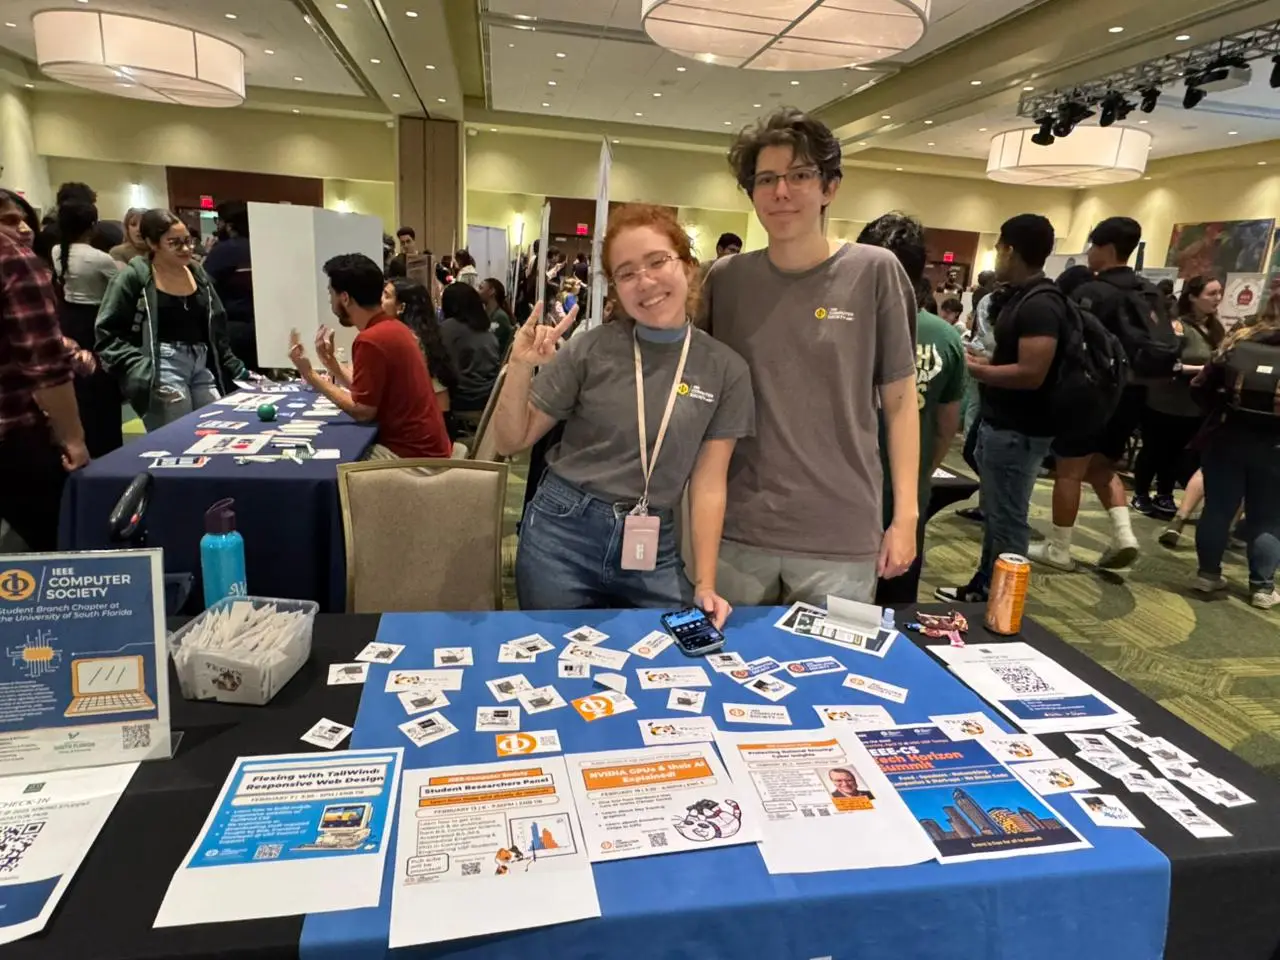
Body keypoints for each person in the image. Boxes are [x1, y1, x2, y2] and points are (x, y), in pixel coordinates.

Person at [493, 203, 754, 621]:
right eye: (626, 272)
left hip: (653, 541)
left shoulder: (726, 370)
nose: (644, 281)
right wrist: (521, 365)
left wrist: (705, 583)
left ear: (687, 267)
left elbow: (709, 484)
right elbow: (511, 439)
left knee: (669, 657)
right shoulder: (591, 349)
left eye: (657, 262)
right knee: (556, 664)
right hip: (563, 534)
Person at [701, 107, 919, 605]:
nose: (782, 192)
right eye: (766, 179)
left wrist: (904, 516)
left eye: (800, 175)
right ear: (751, 192)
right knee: (727, 671)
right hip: (736, 528)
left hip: (839, 532)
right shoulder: (726, 280)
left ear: (829, 187)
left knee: (832, 676)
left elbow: (902, 401)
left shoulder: (874, 272)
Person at [937, 214, 1062, 603]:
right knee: (999, 514)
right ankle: (987, 585)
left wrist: (972, 369)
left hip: (1018, 428)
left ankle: (999, 595)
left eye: (998, 247)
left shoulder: (1040, 303)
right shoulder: (1026, 297)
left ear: (1010, 248)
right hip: (1006, 425)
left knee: (1008, 518)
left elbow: (1031, 372)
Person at [1028, 217, 1150, 571]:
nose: (1089, 254)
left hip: (1092, 394)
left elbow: (1069, 345)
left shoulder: (1093, 293)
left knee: (1069, 471)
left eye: (1092, 246)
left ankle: (1059, 548)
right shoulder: (1146, 291)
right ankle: (1124, 533)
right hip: (1132, 395)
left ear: (1106, 248)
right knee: (1101, 466)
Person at [858, 214, 966, 606]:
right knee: (893, 612)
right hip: (905, 498)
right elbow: (946, 426)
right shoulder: (945, 336)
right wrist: (919, 472)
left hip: (849, 497)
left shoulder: (845, 326)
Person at [289, 253, 451, 459]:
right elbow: (367, 396)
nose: (330, 301)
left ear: (345, 298)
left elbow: (363, 411)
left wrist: (310, 375)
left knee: (322, 457)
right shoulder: (395, 328)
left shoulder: (372, 339)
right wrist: (332, 364)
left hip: (411, 457)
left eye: (331, 294)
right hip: (429, 449)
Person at [96, 208, 246, 430]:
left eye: (188, 241)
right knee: (176, 435)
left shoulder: (197, 273)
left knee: (217, 426)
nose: (185, 248)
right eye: (174, 243)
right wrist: (139, 366)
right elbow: (106, 333)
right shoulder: (133, 277)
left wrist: (232, 364)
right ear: (153, 243)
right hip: (163, 363)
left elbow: (217, 326)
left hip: (201, 361)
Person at [0, 186, 90, 551]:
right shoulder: (12, 258)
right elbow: (44, 363)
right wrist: (74, 439)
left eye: (25, 220)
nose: (23, 230)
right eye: (10, 220)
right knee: (60, 547)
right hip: (15, 431)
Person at [1190, 296, 1280, 608]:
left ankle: (1207, 575)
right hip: (1275, 446)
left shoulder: (1240, 337)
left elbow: (1200, 385)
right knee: (1268, 518)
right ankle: (1262, 588)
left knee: (1217, 509)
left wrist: (1219, 414)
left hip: (1227, 436)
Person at [1134, 275, 1224, 520]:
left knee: (1177, 452)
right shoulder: (1176, 326)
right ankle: (1140, 492)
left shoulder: (1216, 328)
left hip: (1194, 405)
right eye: (1211, 293)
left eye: (1219, 293)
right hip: (1165, 400)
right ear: (1193, 297)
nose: (1217, 299)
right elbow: (1167, 363)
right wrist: (1203, 370)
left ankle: (1164, 493)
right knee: (1154, 449)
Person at [50, 197, 123, 457]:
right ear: (93, 225)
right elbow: (119, 290)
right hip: (96, 320)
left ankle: (83, 439)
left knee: (80, 387)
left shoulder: (57, 250)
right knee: (103, 386)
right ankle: (109, 446)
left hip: (68, 319)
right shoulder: (100, 258)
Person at [382, 277, 457, 415]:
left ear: (401, 307)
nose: (380, 300)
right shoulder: (424, 334)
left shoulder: (408, 339)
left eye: (386, 295)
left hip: (428, 419)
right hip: (438, 414)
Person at [203, 199, 257, 371]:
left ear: (229, 225)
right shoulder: (262, 246)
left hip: (231, 328)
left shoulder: (224, 250)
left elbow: (204, 285)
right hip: (261, 328)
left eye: (218, 220)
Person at [440, 282, 500, 422]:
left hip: (463, 401)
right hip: (487, 399)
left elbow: (444, 369)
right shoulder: (487, 329)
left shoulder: (448, 329)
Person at [479, 276, 515, 358]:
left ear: (492, 291)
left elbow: (488, 345)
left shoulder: (500, 317)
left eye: (481, 288)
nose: (478, 291)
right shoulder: (488, 314)